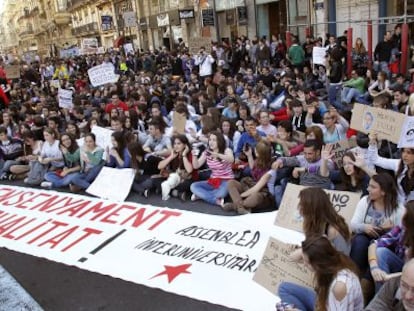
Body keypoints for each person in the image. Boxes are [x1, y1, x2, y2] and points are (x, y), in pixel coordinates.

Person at [278, 235, 363, 311]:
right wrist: (303, 250)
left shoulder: (339, 287)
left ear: (318, 264)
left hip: (330, 304)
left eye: (306, 262)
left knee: (283, 304)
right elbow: (292, 257)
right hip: (327, 304)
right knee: (283, 288)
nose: (304, 264)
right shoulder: (335, 260)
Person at [350, 173, 404, 276]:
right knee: (360, 241)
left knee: (379, 251)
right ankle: (354, 275)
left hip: (386, 243)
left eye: (373, 187)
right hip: (366, 237)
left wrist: (391, 229)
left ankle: (367, 282)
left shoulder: (398, 209)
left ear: (383, 191)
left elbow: (402, 236)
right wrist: (364, 227)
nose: (368, 189)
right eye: (369, 185)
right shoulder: (365, 201)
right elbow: (353, 224)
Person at [368, 200, 414, 291]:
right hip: (401, 265)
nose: (401, 218)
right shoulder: (402, 228)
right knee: (380, 252)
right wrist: (374, 267)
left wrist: (389, 277)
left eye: (404, 216)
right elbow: (374, 244)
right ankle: (381, 295)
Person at [223, 140, 274, 214]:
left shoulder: (270, 169)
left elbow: (256, 189)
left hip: (263, 193)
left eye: (256, 151)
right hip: (251, 184)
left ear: (260, 154)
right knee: (231, 183)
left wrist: (241, 196)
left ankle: (236, 205)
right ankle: (242, 207)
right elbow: (252, 168)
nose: (255, 151)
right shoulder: (258, 160)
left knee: (255, 197)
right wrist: (249, 155)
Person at [190, 131, 234, 206]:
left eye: (214, 140)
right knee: (193, 186)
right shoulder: (207, 152)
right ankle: (215, 200)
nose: (211, 142)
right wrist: (194, 156)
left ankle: (201, 195)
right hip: (213, 180)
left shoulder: (226, 150)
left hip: (226, 181)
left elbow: (231, 159)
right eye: (210, 140)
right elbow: (196, 166)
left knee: (221, 193)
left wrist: (218, 155)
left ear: (219, 141)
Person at [368, 134, 414, 204]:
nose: (404, 155)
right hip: (400, 208)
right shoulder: (399, 164)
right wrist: (372, 142)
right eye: (403, 151)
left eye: (409, 152)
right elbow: (375, 159)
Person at [158, 135, 194, 201]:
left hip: (187, 179)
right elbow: (159, 166)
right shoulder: (174, 153)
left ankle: (174, 192)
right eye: (174, 144)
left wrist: (184, 155)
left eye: (179, 144)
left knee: (186, 185)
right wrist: (171, 157)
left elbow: (189, 170)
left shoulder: (190, 154)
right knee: (158, 181)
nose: (176, 146)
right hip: (174, 178)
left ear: (185, 145)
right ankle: (176, 193)